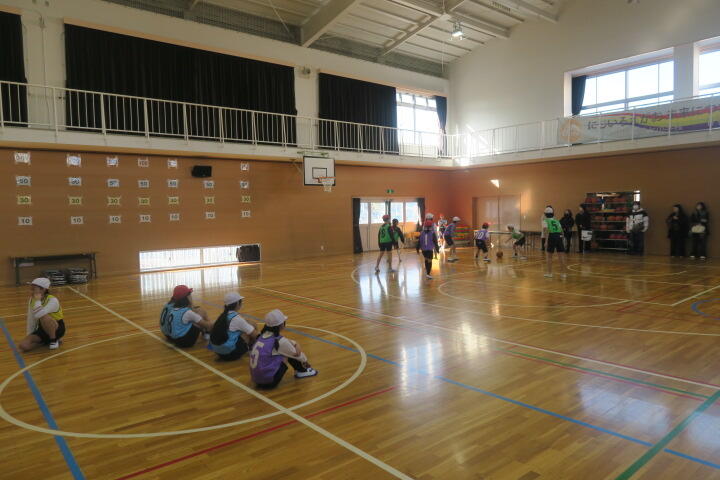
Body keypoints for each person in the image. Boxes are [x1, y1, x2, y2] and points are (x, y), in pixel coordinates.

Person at [249, 309, 318, 389]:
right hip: (269, 382)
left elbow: (286, 342)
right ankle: (302, 371)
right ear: (281, 324)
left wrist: (296, 343)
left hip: (256, 379)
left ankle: (300, 370)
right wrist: (305, 361)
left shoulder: (262, 336)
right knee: (286, 354)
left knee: (284, 350)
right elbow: (298, 356)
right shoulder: (279, 341)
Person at [19, 278, 66, 352]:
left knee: (43, 315)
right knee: (23, 345)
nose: (31, 291)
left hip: (57, 328)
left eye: (34, 289)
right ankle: (46, 341)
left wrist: (38, 300)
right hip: (42, 328)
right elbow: (31, 318)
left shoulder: (52, 300)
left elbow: (39, 314)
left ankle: (53, 340)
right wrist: (30, 334)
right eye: (31, 289)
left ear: (43, 290)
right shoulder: (32, 300)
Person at [209, 292, 259, 361]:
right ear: (238, 304)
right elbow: (255, 335)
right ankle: (251, 349)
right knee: (250, 329)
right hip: (230, 354)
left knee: (246, 324)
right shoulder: (236, 319)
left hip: (218, 351)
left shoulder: (223, 315)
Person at [542, 206, 568, 278]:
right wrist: (562, 239)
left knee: (549, 256)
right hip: (559, 236)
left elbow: (546, 231)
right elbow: (562, 231)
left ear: (545, 214)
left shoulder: (545, 221)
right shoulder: (557, 221)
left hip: (551, 236)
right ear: (552, 213)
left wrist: (546, 241)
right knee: (561, 256)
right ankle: (563, 274)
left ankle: (549, 273)